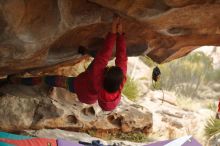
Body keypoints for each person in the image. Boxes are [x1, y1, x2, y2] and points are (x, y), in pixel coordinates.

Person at [7, 15, 127, 111]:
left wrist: (112, 32)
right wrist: (120, 35)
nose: (109, 67)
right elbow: (122, 59)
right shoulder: (118, 83)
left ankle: (17, 80)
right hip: (90, 94)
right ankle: (85, 51)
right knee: (97, 62)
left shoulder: (97, 78)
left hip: (78, 86)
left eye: (108, 69)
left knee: (46, 79)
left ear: (104, 77)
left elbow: (104, 55)